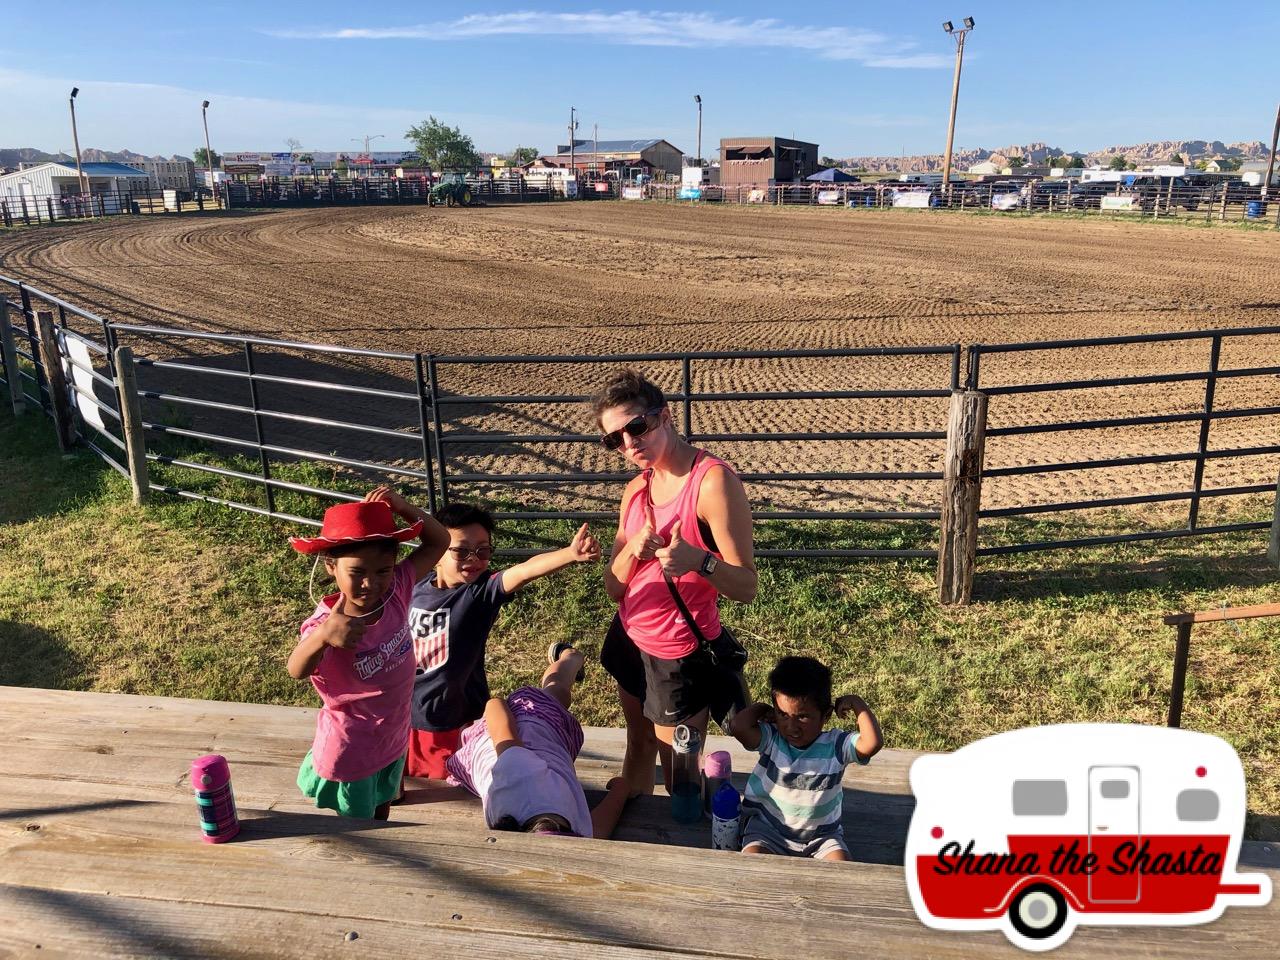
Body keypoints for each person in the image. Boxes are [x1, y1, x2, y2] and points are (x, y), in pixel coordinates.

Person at [595, 369, 757, 796]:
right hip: (629, 635)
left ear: (664, 417)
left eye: (636, 426)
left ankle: (685, 850)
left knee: (680, 777)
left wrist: (699, 562)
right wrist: (635, 549)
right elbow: (614, 587)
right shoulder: (635, 489)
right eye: (615, 438)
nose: (629, 443)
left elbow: (746, 586)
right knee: (639, 742)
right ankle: (633, 835)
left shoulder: (712, 483)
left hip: (677, 656)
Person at [286, 487, 450, 820]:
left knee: (383, 809)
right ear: (332, 567)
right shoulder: (328, 626)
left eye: (382, 571)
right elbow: (296, 669)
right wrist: (322, 636)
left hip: (392, 737)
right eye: (357, 572)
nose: (371, 584)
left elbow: (439, 541)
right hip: (353, 750)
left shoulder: (398, 590)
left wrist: (402, 506)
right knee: (359, 827)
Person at [405, 503, 601, 779]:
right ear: (436, 553)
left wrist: (569, 554)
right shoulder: (414, 586)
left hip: (454, 724)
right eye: (461, 550)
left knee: (450, 800)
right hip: (405, 721)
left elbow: (523, 571)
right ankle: (568, 657)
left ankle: (570, 658)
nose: (473, 559)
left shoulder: (479, 594)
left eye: (483, 550)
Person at [447, 644, 633, 838]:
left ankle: (571, 659)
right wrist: (620, 791)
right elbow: (597, 831)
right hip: (496, 752)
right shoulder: (515, 824)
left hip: (505, 741)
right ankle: (571, 658)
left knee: (557, 692)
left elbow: (496, 705)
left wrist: (621, 789)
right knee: (557, 693)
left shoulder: (522, 778)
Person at [728, 655, 883, 861]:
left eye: (802, 717)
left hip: (822, 838)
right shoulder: (773, 738)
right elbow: (738, 727)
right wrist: (762, 708)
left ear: (826, 715)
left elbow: (872, 743)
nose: (791, 727)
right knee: (753, 867)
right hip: (767, 831)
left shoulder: (836, 745)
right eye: (783, 714)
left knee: (843, 873)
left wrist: (857, 704)